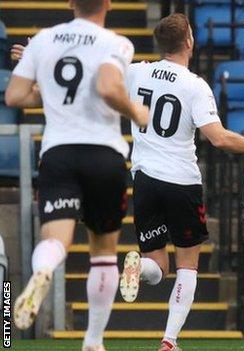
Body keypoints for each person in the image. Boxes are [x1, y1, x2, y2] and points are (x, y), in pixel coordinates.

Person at [117, 14, 244, 351]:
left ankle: (139, 266)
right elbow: (218, 139)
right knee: (187, 266)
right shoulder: (194, 86)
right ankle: (169, 340)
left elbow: (97, 77)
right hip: (181, 183)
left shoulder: (136, 71)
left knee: (157, 267)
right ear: (189, 41)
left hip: (145, 179)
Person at [5, 0, 149, 350]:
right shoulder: (115, 42)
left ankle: (43, 271)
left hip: (59, 153)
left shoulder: (43, 41)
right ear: (109, 4)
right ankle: (93, 341)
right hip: (104, 154)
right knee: (102, 252)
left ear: (71, 3)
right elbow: (108, 88)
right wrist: (135, 111)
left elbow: (14, 95)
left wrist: (47, 92)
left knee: (55, 241)